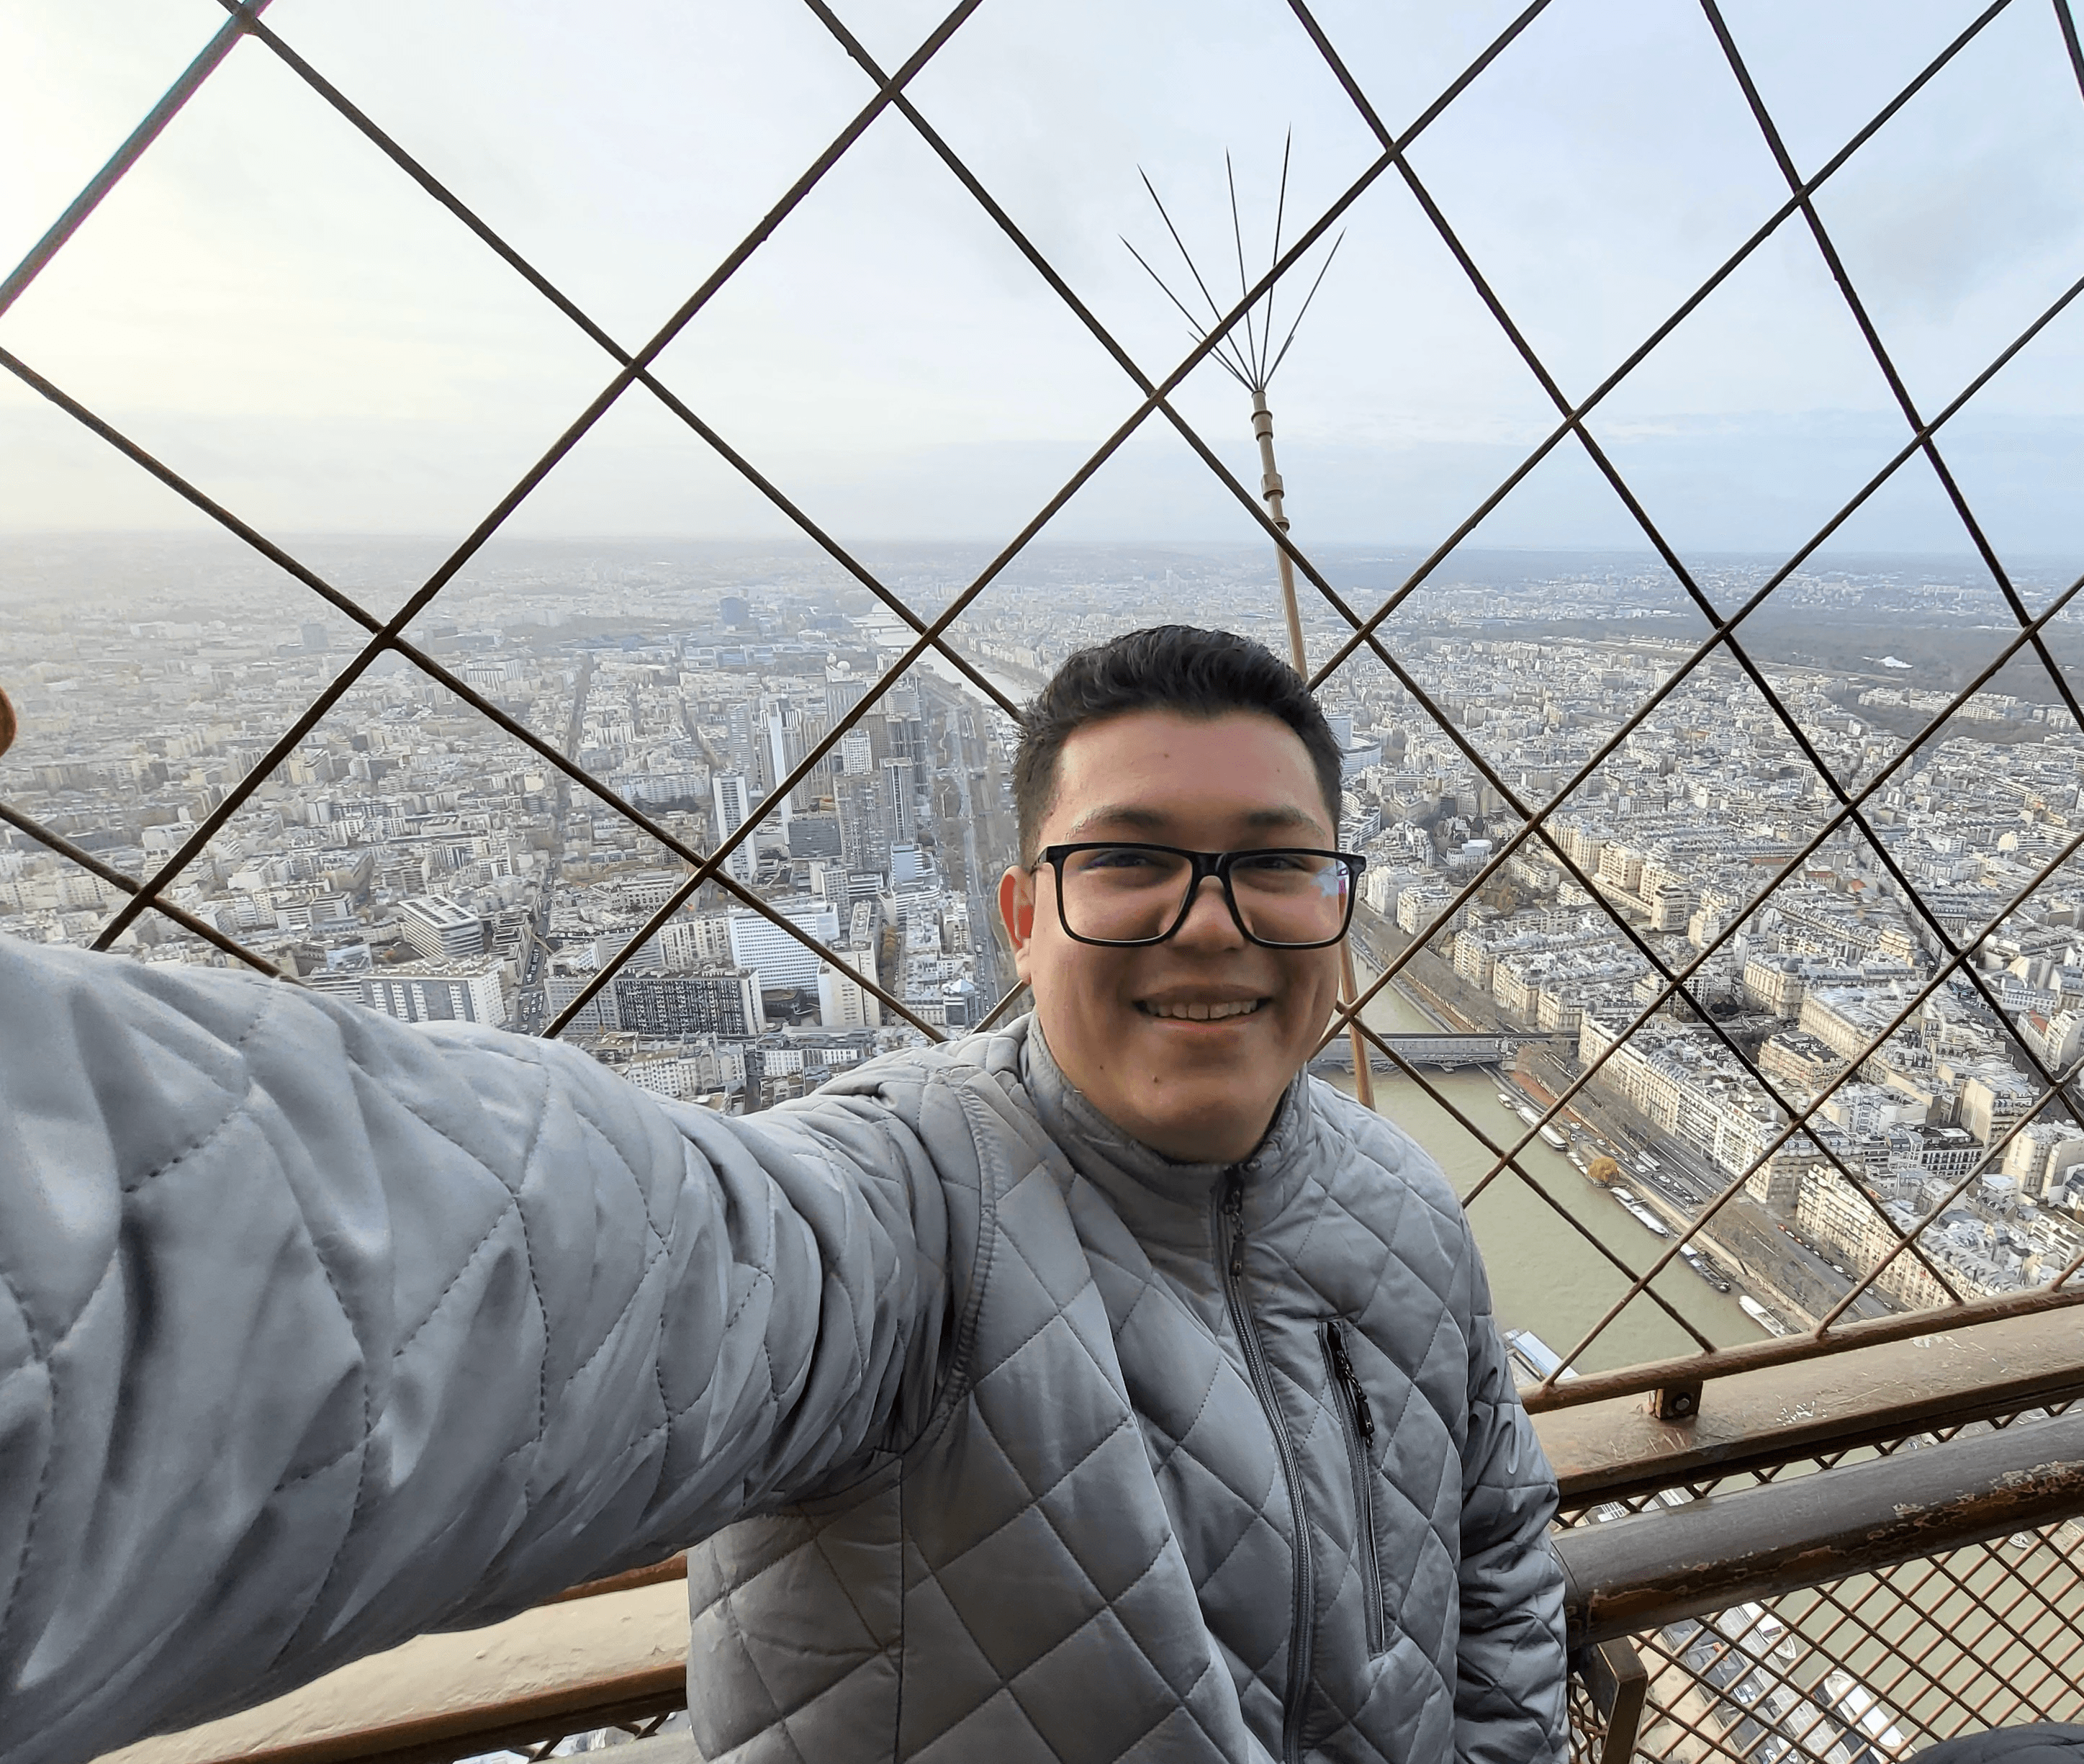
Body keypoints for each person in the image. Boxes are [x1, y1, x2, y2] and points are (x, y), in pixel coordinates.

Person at [0, 625, 1568, 1764]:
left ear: (1339, 912)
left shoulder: (1398, 1194)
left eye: (1275, 865)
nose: (1212, 923)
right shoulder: (904, 1212)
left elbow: (1493, 1535)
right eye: (1130, 863)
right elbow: (545, 1272)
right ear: (1022, 919)